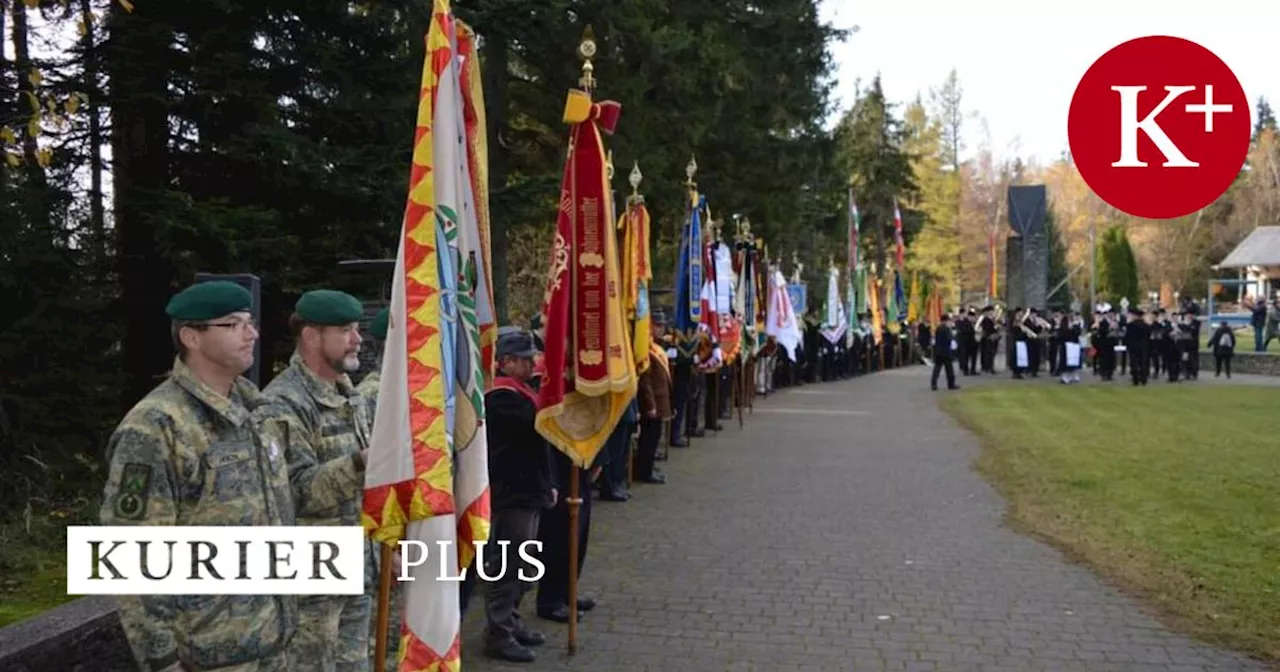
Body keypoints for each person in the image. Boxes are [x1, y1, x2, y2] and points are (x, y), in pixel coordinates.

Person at [100, 281, 297, 672]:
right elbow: (134, 553)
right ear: (192, 336)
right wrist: (162, 660)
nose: (252, 333)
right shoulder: (155, 427)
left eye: (251, 323)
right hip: (208, 656)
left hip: (275, 645)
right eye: (233, 324)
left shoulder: (258, 412)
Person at [260, 289, 373, 672]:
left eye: (356, 329)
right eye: (345, 330)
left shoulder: (346, 391)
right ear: (311, 336)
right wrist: (361, 463)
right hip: (312, 586)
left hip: (357, 568)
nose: (357, 339)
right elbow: (292, 493)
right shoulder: (283, 403)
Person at [483, 329, 557, 662]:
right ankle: (498, 633)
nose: (532, 365)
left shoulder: (523, 393)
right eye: (525, 360)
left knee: (524, 565)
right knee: (509, 565)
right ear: (506, 362)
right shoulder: (499, 398)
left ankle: (511, 621)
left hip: (529, 490)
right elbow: (535, 427)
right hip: (510, 494)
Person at [635, 310, 673, 483]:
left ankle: (648, 467)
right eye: (657, 325)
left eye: (662, 325)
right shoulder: (647, 349)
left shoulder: (659, 347)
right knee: (648, 439)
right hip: (653, 402)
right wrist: (650, 404)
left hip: (661, 399)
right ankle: (645, 471)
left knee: (655, 437)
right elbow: (645, 381)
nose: (660, 328)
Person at [930, 314, 959, 391]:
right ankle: (951, 384)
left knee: (937, 369)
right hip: (946, 351)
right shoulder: (946, 329)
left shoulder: (938, 328)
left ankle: (934, 384)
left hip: (938, 351)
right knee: (949, 369)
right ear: (946, 321)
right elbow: (949, 339)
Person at [1124, 307, 1150, 386]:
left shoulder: (1130, 325)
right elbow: (1148, 335)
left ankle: (1135, 380)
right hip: (1143, 346)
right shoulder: (1146, 326)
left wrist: (1127, 344)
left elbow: (1127, 336)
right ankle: (1143, 379)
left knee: (1134, 363)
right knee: (1143, 363)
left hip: (1133, 347)